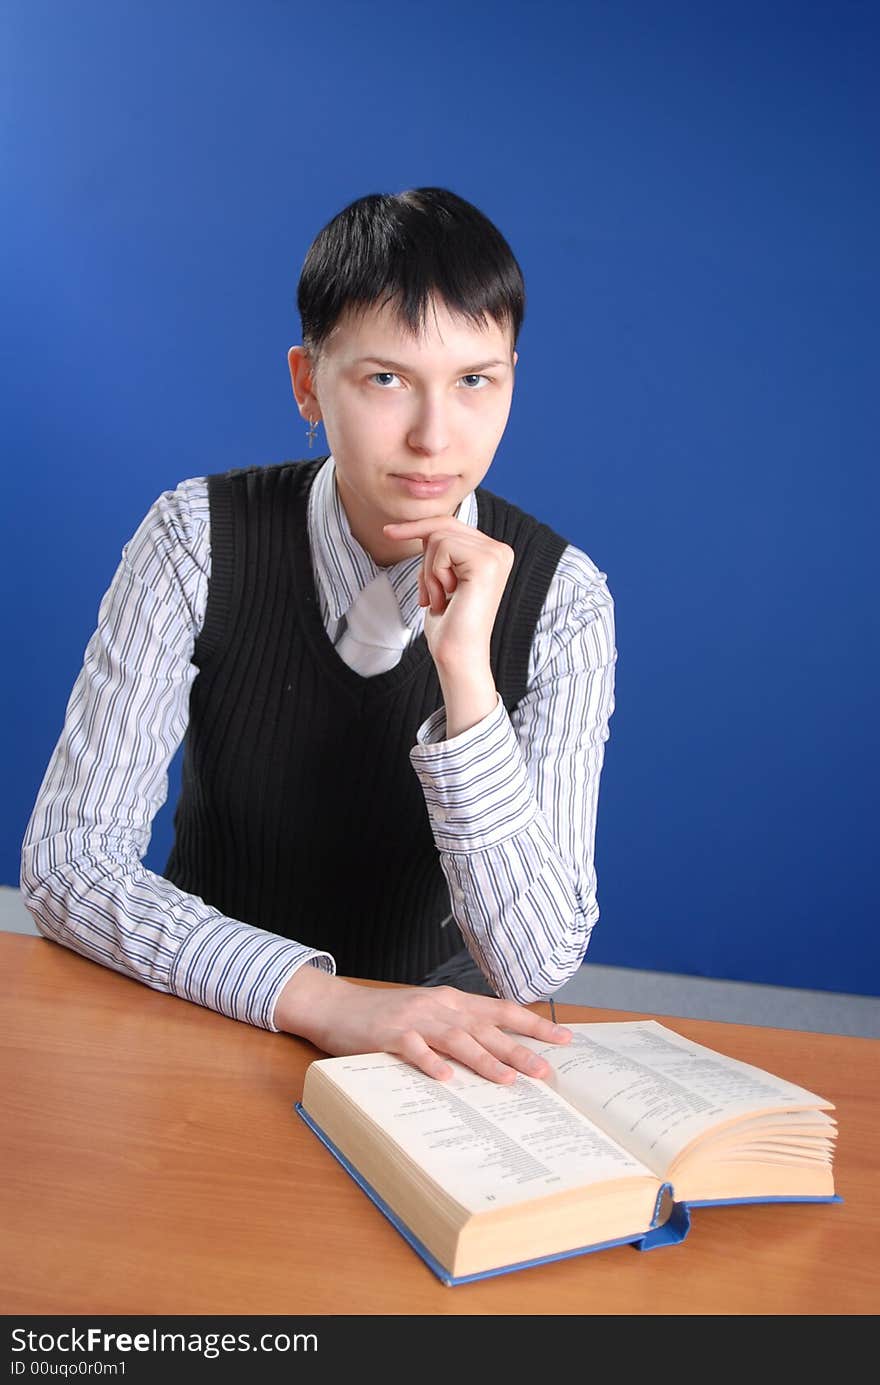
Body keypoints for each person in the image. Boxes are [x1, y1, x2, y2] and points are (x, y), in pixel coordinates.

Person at [21, 187, 616, 1086]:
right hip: (205, 1000)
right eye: (387, 380)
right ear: (308, 382)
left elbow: (533, 966)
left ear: (511, 381)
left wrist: (466, 679)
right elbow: (67, 866)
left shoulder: (565, 599)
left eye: (474, 381)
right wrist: (328, 1002)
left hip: (438, 1051)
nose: (433, 437)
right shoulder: (195, 537)